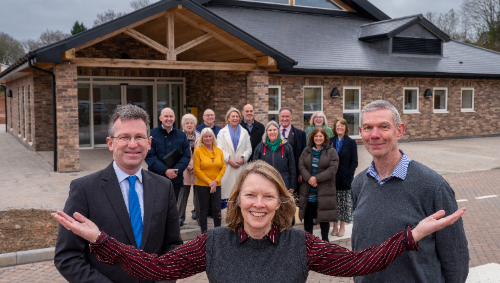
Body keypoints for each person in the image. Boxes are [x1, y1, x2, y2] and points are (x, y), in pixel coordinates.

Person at [53, 161, 467, 283]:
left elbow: (359, 263)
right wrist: (100, 239)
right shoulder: (212, 242)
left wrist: (412, 235)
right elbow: (158, 268)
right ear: (238, 200)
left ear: (279, 203)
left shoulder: (299, 244)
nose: (258, 203)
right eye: (250, 194)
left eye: (268, 196)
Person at [54, 104, 183, 283]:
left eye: (139, 137)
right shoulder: (84, 189)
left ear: (149, 142)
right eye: (124, 137)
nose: (133, 144)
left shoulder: (164, 187)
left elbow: (173, 246)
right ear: (110, 143)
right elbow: (67, 256)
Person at [351, 100, 469, 283]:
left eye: (383, 126)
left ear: (399, 131)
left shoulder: (433, 186)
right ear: (361, 133)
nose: (374, 135)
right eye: (368, 128)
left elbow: (456, 257)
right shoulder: (358, 184)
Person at [298, 127, 339, 241]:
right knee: (308, 217)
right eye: (316, 136)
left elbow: (333, 169)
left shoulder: (331, 151)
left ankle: (325, 241)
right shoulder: (306, 150)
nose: (318, 138)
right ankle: (309, 241)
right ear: (312, 138)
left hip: (324, 190)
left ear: (325, 137)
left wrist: (316, 179)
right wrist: (309, 179)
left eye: (320, 136)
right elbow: (301, 166)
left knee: (324, 217)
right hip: (309, 190)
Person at [145, 107, 191, 201]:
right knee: (156, 207)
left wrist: (176, 171)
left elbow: (186, 155)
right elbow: (149, 155)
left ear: (174, 118)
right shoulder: (152, 134)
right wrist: (165, 170)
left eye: (171, 116)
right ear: (160, 118)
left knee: (173, 208)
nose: (168, 119)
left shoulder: (181, 135)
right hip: (156, 177)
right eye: (166, 116)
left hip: (175, 178)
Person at [217, 107, 252, 209]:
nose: (235, 118)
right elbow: (219, 149)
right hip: (227, 167)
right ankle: (228, 219)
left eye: (237, 116)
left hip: (240, 167)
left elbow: (249, 149)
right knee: (227, 195)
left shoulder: (244, 132)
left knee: (241, 194)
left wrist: (242, 160)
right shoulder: (222, 133)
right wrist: (229, 160)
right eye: (233, 116)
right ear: (228, 118)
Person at [193, 128, 226, 233]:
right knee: (203, 210)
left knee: (217, 210)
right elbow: (196, 170)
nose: (208, 138)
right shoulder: (198, 151)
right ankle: (204, 234)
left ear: (213, 138)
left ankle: (218, 232)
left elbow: (223, 168)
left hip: (217, 184)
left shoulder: (219, 151)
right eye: (205, 136)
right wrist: (209, 182)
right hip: (202, 185)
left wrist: (215, 181)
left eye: (210, 136)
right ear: (202, 138)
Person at [329, 118, 358, 237]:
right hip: (332, 179)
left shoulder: (351, 142)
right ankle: (334, 226)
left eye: (342, 125)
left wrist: (349, 173)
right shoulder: (330, 141)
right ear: (334, 128)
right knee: (334, 204)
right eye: (337, 126)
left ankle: (342, 226)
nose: (339, 127)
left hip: (345, 178)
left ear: (345, 128)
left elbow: (354, 161)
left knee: (344, 205)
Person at [279, 107, 306, 225]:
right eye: (282, 116)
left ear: (291, 118)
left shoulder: (300, 134)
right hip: (277, 173)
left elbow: (303, 156)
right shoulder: (272, 132)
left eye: (287, 116)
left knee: (291, 200)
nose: (285, 119)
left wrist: (300, 173)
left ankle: (291, 224)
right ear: (279, 118)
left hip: (293, 174)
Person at [253, 120, 297, 194]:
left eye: (274, 130)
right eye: (270, 130)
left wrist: (292, 185)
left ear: (278, 131)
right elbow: (254, 167)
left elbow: (292, 167)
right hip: (265, 183)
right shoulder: (260, 147)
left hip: (283, 183)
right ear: (267, 132)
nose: (272, 132)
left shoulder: (286, 146)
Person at [178, 113, 200, 226]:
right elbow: (178, 153)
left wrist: (195, 165)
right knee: (183, 194)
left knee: (198, 194)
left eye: (191, 123)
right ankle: (180, 217)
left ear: (195, 124)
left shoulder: (200, 136)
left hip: (197, 169)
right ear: (183, 124)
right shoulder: (178, 136)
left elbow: (202, 153)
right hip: (184, 169)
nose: (189, 125)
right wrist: (188, 164)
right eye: (187, 123)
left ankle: (198, 215)